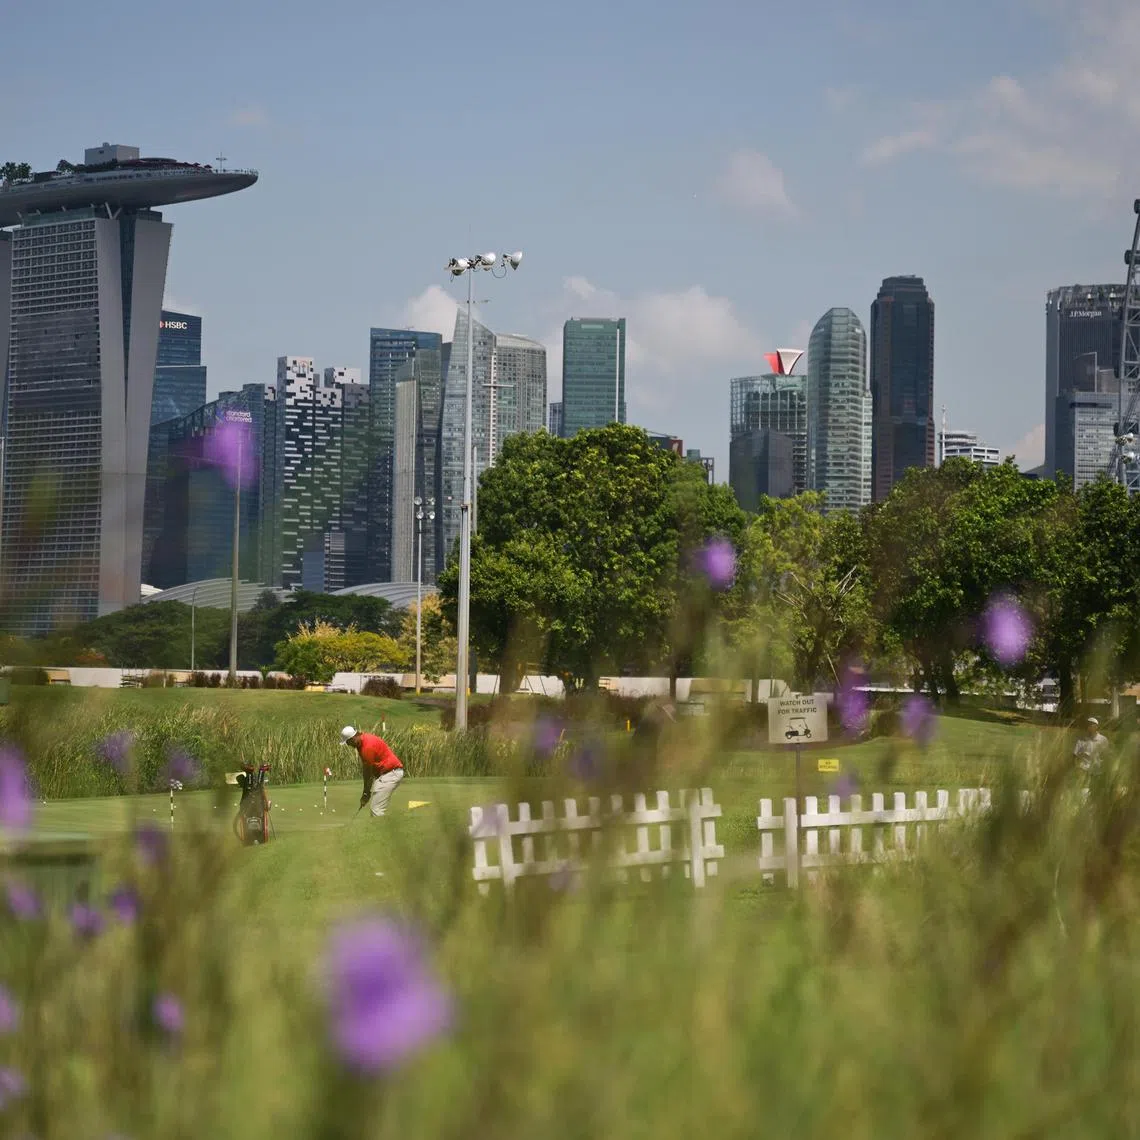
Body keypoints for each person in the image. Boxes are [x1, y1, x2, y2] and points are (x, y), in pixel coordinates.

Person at [341, 725, 405, 816]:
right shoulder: (364, 740)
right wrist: (366, 793)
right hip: (388, 774)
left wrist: (366, 793)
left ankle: (380, 829)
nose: (348, 744)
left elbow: (368, 774)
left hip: (391, 774)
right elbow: (368, 770)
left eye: (347, 742)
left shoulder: (367, 747)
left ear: (353, 738)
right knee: (376, 806)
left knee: (376, 810)